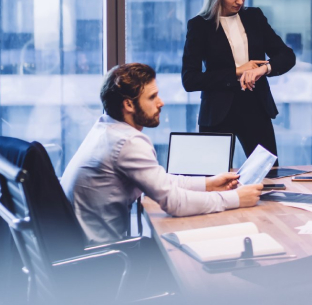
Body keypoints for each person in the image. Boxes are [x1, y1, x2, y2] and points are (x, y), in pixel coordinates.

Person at [61, 63, 262, 244]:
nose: (161, 103)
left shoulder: (106, 130)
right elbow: (174, 203)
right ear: (129, 105)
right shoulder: (128, 142)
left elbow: (159, 181)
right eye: (152, 97)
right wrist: (235, 199)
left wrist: (209, 183)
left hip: (81, 247)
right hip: (105, 258)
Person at [182, 0, 296, 161]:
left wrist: (264, 69)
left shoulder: (255, 17)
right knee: (211, 176)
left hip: (256, 108)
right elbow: (190, 80)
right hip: (217, 113)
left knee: (267, 174)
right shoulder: (200, 26)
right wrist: (237, 72)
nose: (240, 1)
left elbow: (287, 56)